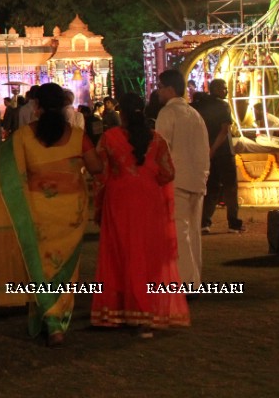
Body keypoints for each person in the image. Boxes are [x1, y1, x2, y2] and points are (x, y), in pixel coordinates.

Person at [0, 82, 102, 346]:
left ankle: (52, 324)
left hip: (37, 211)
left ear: (37, 106)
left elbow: (6, 171)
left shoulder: (23, 137)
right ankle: (56, 320)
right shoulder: (77, 135)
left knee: (40, 265)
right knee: (64, 269)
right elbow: (96, 167)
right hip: (71, 214)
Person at [91, 93, 189, 336]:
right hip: (149, 202)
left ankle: (121, 311)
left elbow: (101, 174)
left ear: (120, 113)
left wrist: (99, 204)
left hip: (120, 200)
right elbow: (168, 173)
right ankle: (148, 311)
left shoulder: (109, 138)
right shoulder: (157, 139)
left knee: (121, 253)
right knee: (147, 254)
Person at [154, 69, 210, 289]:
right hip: (197, 178)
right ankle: (193, 281)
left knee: (180, 232)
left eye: (160, 87)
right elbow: (204, 149)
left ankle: (186, 283)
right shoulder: (195, 115)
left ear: (170, 89)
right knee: (193, 232)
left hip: (177, 180)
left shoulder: (168, 114)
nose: (158, 92)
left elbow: (161, 149)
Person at [196, 78, 243, 233]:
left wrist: (208, 150)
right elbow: (224, 130)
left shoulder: (202, 106)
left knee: (212, 187)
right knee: (230, 187)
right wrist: (214, 148)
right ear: (215, 89)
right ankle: (233, 223)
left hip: (208, 151)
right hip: (223, 152)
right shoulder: (223, 106)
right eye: (223, 88)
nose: (226, 91)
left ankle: (205, 223)